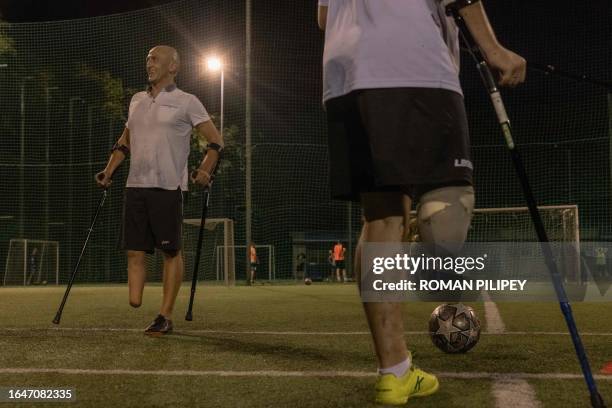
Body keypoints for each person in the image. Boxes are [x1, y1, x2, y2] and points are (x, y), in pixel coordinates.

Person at [317, 0, 526, 405]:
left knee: (381, 216)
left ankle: (394, 372)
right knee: (447, 210)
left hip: (344, 74)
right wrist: (495, 51)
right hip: (413, 66)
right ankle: (425, 267)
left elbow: (323, 16)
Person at [96, 45, 223, 336]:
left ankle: (165, 315)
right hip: (135, 186)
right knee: (134, 255)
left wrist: (205, 170)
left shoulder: (187, 101)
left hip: (169, 187)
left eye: (155, 59)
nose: (149, 63)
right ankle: (139, 301)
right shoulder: (137, 100)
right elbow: (124, 141)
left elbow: (216, 142)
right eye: (147, 59)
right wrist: (109, 169)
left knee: (170, 251)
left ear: (173, 66)